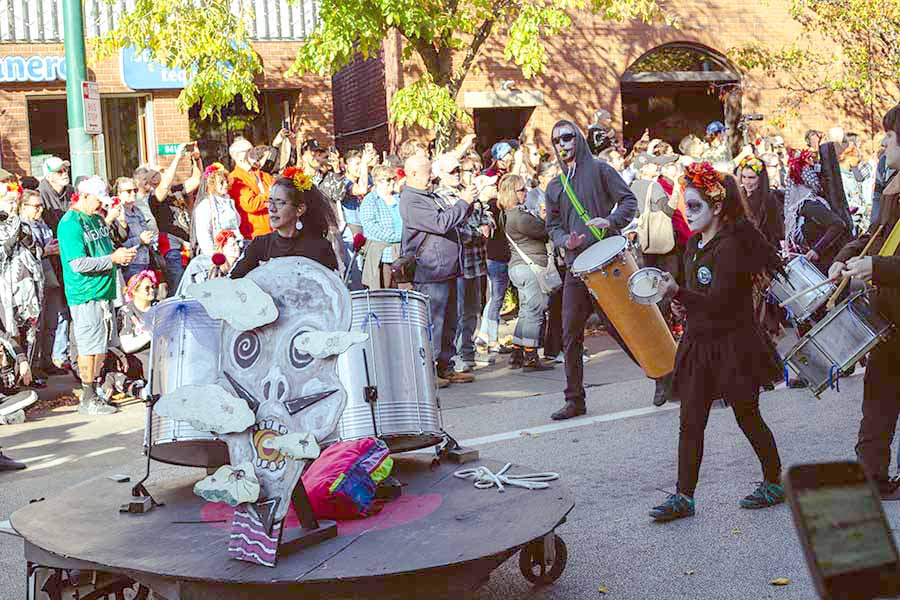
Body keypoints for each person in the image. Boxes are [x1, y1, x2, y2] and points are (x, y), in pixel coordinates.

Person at [649, 163, 784, 522]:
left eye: (695, 207)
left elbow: (721, 303)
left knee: (747, 415)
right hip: (698, 344)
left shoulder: (730, 246)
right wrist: (680, 302)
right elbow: (699, 295)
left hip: (733, 345)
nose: (687, 214)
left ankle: (774, 482)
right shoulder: (693, 243)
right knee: (690, 421)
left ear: (718, 207)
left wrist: (682, 293)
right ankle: (684, 496)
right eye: (685, 206)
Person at [545, 120, 644, 420]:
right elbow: (553, 226)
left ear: (578, 139)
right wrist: (565, 240)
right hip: (577, 268)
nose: (562, 144)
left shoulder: (601, 170)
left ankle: (663, 377)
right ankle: (575, 399)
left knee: (625, 326)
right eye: (557, 140)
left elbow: (629, 202)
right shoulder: (554, 185)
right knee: (570, 334)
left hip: (607, 264)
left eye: (567, 137)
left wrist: (610, 221)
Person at [828, 103, 900, 500]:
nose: (884, 141)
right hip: (888, 312)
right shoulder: (893, 184)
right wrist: (844, 257)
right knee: (877, 400)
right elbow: (873, 234)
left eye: (890, 136)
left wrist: (877, 267)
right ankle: (872, 476)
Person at [58, 176, 137, 416]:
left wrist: (119, 254)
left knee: (101, 346)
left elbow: (105, 250)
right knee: (88, 346)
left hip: (104, 291)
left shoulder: (98, 218)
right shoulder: (70, 223)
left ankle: (95, 391)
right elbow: (78, 263)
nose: (100, 205)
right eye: (96, 200)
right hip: (85, 292)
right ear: (83, 196)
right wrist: (112, 259)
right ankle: (88, 396)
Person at [399, 154, 477, 387]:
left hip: (447, 269)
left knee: (450, 322)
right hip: (430, 271)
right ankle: (428, 372)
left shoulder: (428, 195)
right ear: (413, 174)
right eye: (427, 172)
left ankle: (446, 367)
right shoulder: (411, 200)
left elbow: (453, 220)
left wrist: (469, 202)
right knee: (433, 324)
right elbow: (441, 224)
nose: (431, 176)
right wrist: (462, 202)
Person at [433, 154, 492, 373]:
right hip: (458, 262)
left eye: (458, 170)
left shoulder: (467, 190)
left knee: (473, 310)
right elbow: (453, 228)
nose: (457, 174)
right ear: (440, 174)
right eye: (452, 171)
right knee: (456, 312)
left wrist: (489, 224)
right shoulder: (439, 196)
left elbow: (485, 211)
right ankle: (454, 355)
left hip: (476, 261)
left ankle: (467, 352)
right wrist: (478, 233)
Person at [230, 168, 338, 278]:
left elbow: (332, 289)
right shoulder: (260, 245)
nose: (272, 208)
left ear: (300, 209)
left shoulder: (319, 247)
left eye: (280, 203)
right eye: (270, 201)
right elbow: (233, 281)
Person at [499, 173, 555, 371]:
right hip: (529, 268)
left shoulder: (508, 214)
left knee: (525, 311)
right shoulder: (519, 217)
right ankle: (531, 356)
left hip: (518, 267)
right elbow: (545, 231)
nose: (526, 192)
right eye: (521, 189)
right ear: (512, 194)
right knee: (535, 312)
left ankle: (517, 352)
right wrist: (545, 219)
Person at [19, 190, 68, 379]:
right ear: (24, 207)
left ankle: (48, 361)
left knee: (51, 321)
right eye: (36, 206)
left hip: (50, 274)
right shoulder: (21, 226)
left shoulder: (42, 223)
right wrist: (45, 251)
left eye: (41, 205)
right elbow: (23, 254)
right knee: (35, 325)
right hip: (32, 279)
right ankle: (35, 365)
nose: (40, 209)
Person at [783, 150, 852, 277]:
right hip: (822, 267)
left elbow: (838, 224)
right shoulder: (800, 207)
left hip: (828, 267)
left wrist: (817, 250)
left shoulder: (809, 204)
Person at [0, 185, 42, 392]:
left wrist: (26, 239)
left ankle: (29, 374)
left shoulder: (21, 224)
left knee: (30, 329)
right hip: (5, 289)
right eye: (9, 202)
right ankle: (13, 378)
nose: (13, 207)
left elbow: (36, 249)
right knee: (10, 331)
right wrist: (10, 240)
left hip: (26, 285)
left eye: (14, 203)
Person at [102, 270, 157, 400]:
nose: (152, 291)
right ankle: (135, 388)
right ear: (134, 292)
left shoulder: (159, 307)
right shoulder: (126, 311)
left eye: (153, 287)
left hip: (158, 353)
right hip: (136, 357)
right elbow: (126, 346)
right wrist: (151, 333)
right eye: (147, 288)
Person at [359, 165, 402, 289]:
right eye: (388, 179)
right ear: (377, 182)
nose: (392, 182)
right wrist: (398, 237)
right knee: (384, 294)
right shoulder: (370, 200)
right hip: (382, 256)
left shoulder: (399, 198)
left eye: (393, 178)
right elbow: (371, 226)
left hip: (402, 254)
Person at [228, 136, 274, 239]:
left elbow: (279, 191)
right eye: (248, 150)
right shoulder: (235, 178)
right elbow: (251, 204)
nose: (253, 152)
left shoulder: (262, 174)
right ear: (237, 156)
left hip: (273, 230)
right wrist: (270, 194)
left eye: (253, 149)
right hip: (254, 235)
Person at [193, 163, 243, 256]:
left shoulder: (229, 201)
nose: (225, 185)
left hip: (233, 248)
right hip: (217, 251)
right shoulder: (206, 205)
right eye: (221, 182)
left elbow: (237, 223)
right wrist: (214, 256)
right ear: (211, 184)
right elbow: (203, 234)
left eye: (226, 181)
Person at [113, 177, 157, 282]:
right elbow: (118, 244)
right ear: (119, 194)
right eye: (128, 191)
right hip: (130, 265)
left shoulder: (138, 211)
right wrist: (140, 240)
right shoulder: (116, 214)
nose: (133, 193)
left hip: (145, 260)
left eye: (135, 190)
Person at [178, 229, 242, 294]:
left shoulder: (238, 265)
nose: (236, 247)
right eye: (232, 245)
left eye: (237, 244)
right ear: (222, 249)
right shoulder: (204, 270)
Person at [37, 156, 73, 233]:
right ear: (49, 176)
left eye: (65, 169)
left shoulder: (71, 190)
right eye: (59, 171)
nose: (65, 173)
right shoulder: (40, 194)